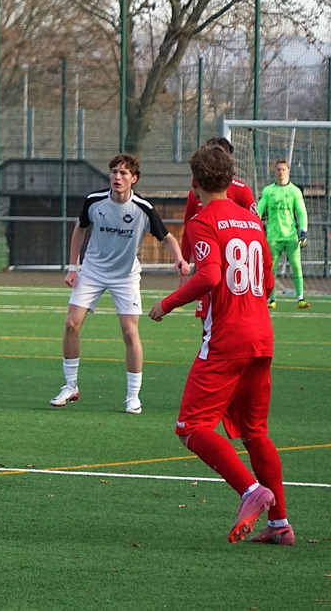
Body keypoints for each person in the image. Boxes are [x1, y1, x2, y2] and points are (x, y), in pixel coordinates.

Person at [150, 145, 292, 545]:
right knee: (255, 432)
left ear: (194, 181)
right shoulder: (252, 221)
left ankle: (251, 491)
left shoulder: (201, 221)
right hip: (262, 337)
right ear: (231, 180)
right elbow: (267, 281)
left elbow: (211, 274)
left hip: (227, 340)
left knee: (191, 427)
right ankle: (280, 524)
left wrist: (167, 303)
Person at [51, 154, 190, 414]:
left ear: (133, 179)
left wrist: (180, 259)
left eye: (124, 173)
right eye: (114, 171)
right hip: (92, 271)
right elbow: (79, 228)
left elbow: (168, 237)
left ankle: (133, 396)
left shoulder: (143, 209)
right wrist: (73, 267)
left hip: (125, 276)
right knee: (71, 324)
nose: (117, 176)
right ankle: (70, 386)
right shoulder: (95, 201)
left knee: (129, 332)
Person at [179, 138, 256, 318]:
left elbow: (256, 231)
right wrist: (184, 260)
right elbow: (187, 228)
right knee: (206, 321)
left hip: (235, 273)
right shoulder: (195, 195)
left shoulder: (242, 191)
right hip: (205, 266)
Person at [256, 159, 309, 309]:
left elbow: (302, 212)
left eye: (283, 169)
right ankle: (271, 299)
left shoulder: (294, 191)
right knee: (271, 269)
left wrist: (303, 231)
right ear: (275, 171)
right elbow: (259, 211)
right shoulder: (268, 191)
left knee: (296, 266)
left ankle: (300, 298)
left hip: (291, 236)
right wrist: (253, 227)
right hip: (273, 236)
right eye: (278, 169)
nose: (281, 172)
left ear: (288, 171)